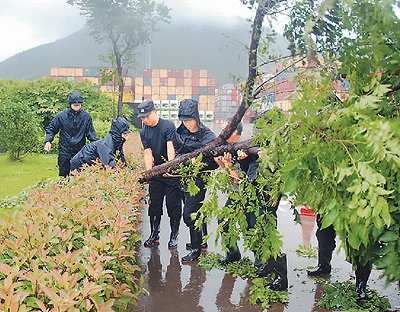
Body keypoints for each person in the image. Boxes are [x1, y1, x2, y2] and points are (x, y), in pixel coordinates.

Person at [215, 119, 288, 291]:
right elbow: (247, 173)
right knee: (254, 227)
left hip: (263, 195)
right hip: (250, 194)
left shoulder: (278, 151)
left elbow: (280, 176)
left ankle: (279, 276)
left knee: (266, 232)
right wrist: (238, 160)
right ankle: (264, 265)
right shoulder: (248, 147)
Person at [175, 99, 218, 262]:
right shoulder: (181, 132)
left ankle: (196, 249)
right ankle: (201, 240)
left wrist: (199, 162)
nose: (187, 124)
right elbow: (178, 151)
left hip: (200, 179)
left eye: (189, 120)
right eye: (184, 120)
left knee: (189, 214)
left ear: (196, 117)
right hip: (185, 178)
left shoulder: (207, 136)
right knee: (195, 211)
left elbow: (215, 161)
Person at [137, 100, 183, 249]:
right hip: (157, 172)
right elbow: (147, 152)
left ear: (155, 112)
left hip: (171, 173)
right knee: (154, 205)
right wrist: (149, 173)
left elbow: (171, 148)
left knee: (173, 205)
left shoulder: (167, 126)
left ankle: (174, 235)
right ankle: (154, 233)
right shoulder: (144, 131)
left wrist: (170, 168)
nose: (145, 120)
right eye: (142, 118)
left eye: (147, 116)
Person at [44, 91, 98, 177]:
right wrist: (48, 141)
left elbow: (91, 133)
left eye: (79, 105)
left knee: (78, 176)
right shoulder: (61, 116)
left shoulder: (86, 117)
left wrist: (96, 147)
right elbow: (51, 128)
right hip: (65, 150)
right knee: (63, 176)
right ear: (70, 104)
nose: (77, 107)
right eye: (75, 105)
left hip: (79, 151)